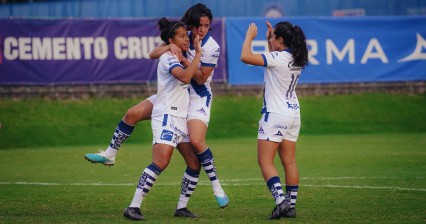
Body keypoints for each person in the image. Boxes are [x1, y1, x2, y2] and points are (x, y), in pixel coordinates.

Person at [84, 3, 229, 209]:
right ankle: (110, 154)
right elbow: (153, 54)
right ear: (190, 25)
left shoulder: (211, 46)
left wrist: (191, 57)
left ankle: (216, 187)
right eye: (198, 26)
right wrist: (169, 46)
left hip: (197, 96)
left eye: (206, 25)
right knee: (132, 113)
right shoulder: (182, 36)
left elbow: (200, 78)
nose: (201, 30)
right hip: (175, 95)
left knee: (196, 142)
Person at [122, 17, 202, 221]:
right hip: (167, 115)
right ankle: (133, 207)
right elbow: (184, 77)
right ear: (171, 40)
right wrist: (197, 55)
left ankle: (181, 208)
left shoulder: (177, 53)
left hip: (180, 118)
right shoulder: (168, 57)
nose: (186, 39)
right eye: (182, 36)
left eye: (187, 35)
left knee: (194, 163)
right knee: (161, 162)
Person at [240, 20, 308, 219]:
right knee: (290, 162)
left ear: (280, 40)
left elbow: (245, 56)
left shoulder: (278, 58)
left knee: (265, 162)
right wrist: (271, 39)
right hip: (293, 114)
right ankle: (291, 206)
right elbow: (275, 56)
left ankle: (281, 202)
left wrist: (249, 37)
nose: (270, 38)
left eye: (273, 36)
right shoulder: (295, 57)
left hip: (275, 114)